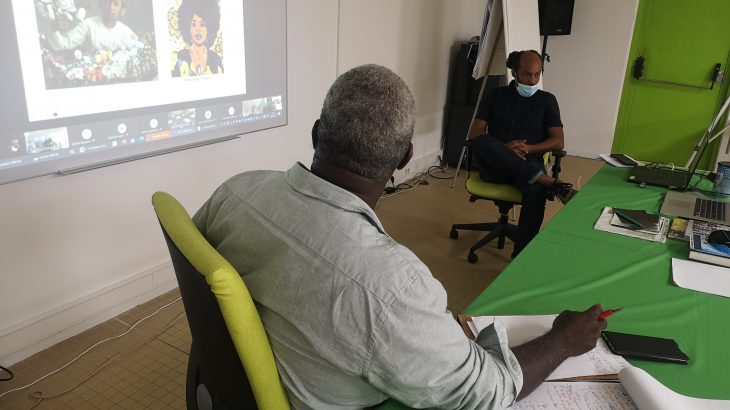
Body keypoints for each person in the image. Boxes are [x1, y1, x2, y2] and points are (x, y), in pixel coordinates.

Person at [193, 64, 606, 409]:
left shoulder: (236, 190)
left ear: (317, 133)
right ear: (406, 157)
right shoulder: (392, 285)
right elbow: (488, 391)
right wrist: (563, 340)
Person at [468, 50, 577, 257]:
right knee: (482, 141)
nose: (532, 80)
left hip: (529, 161)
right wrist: (503, 149)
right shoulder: (496, 95)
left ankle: (520, 256)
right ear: (514, 72)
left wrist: (529, 148)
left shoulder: (547, 100)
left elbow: (558, 141)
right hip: (495, 167)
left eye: (537, 74)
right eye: (527, 74)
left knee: (535, 193)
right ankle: (545, 180)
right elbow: (475, 132)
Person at [48, 0, 138, 53]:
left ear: (122, 10)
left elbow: (137, 52)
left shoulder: (126, 32)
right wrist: (54, 28)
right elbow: (64, 44)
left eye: (116, 4)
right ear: (103, 4)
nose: (111, 7)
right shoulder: (88, 25)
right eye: (108, 2)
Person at [171, 0, 223, 77]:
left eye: (202, 24)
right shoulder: (179, 58)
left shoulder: (215, 59)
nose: (198, 29)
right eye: (193, 24)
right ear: (187, 27)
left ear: (210, 27)